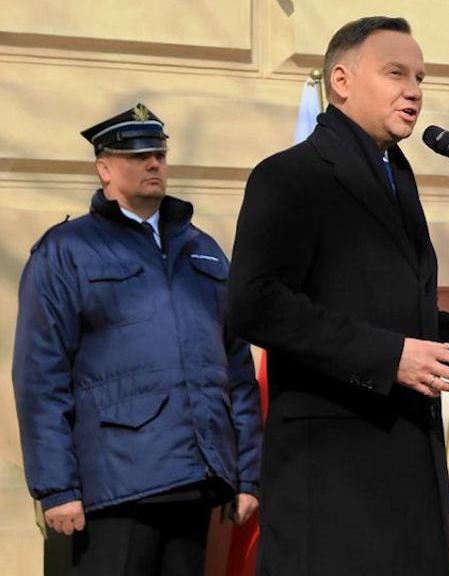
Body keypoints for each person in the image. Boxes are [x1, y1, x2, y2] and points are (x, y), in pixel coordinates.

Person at [226, 16, 449, 576]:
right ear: (342, 81)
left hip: (407, 465)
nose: (414, 91)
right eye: (396, 73)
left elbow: (408, 317)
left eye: (420, 78)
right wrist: (387, 357)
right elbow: (256, 304)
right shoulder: (290, 176)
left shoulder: (398, 179)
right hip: (333, 480)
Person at [12, 104, 262, 575]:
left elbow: (237, 370)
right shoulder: (68, 250)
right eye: (138, 155)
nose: (153, 164)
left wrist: (248, 474)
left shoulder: (203, 251)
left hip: (197, 479)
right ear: (104, 168)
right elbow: (40, 375)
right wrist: (56, 487)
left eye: (159, 155)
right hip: (115, 487)